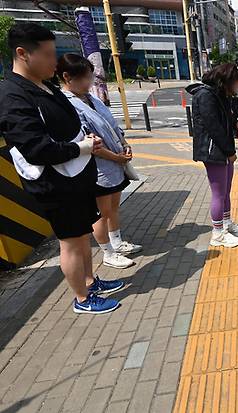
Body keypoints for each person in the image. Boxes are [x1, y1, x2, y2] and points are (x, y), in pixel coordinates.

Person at [0, 23, 123, 314]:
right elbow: (37, 149)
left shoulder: (45, 86)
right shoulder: (13, 96)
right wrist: (82, 147)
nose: (55, 62)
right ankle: (82, 298)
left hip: (77, 175)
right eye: (48, 54)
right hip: (55, 182)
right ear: (23, 53)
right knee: (70, 241)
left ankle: (91, 281)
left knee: (82, 236)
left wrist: (85, 140)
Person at [57, 53, 141, 269]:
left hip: (115, 163)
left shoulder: (90, 98)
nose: (89, 82)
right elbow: (89, 143)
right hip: (98, 167)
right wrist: (117, 157)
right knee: (101, 213)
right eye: (85, 78)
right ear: (67, 77)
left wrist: (124, 144)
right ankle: (107, 252)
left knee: (113, 207)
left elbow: (110, 124)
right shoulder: (68, 104)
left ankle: (117, 241)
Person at [187, 63, 238, 247]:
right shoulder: (206, 95)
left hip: (222, 148)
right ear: (226, 81)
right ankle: (217, 233)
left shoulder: (220, 94)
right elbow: (213, 127)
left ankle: (227, 223)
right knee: (218, 193)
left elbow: (227, 117)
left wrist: (235, 123)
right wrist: (230, 152)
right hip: (213, 150)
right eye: (236, 83)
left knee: (226, 190)